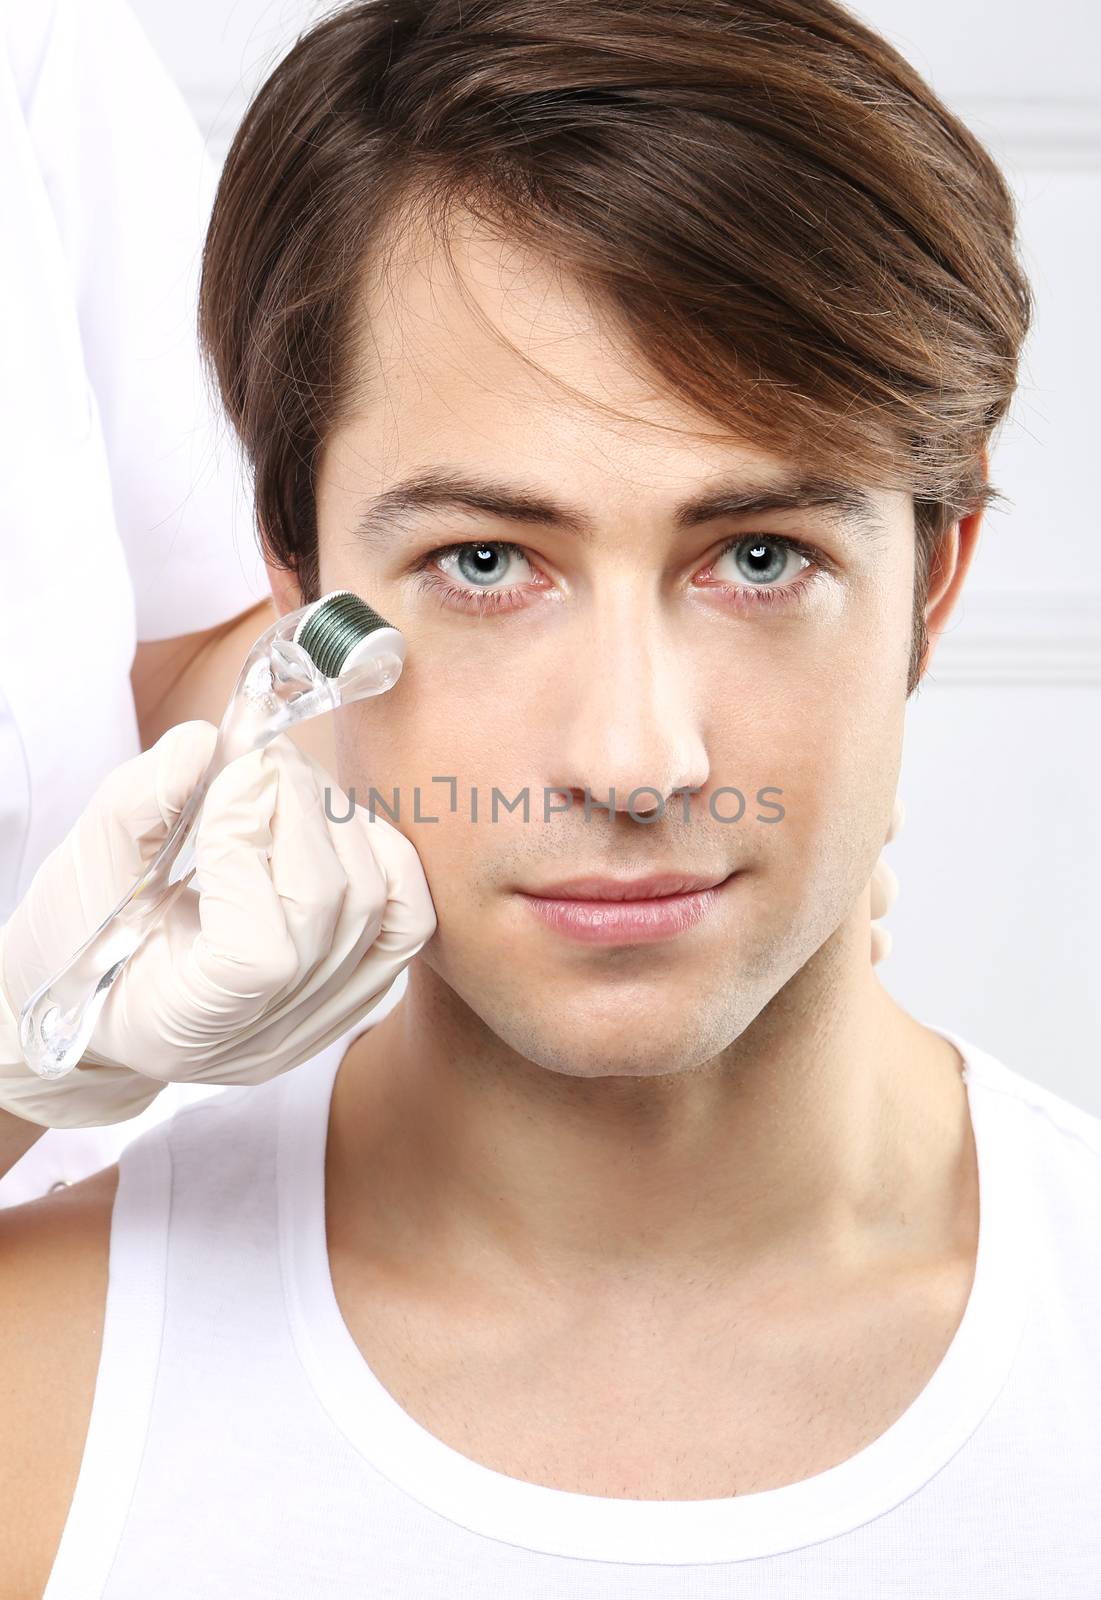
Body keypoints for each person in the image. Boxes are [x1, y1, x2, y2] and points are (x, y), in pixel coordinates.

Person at [6, 0, 1098, 1593]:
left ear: (934, 580)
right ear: (299, 583)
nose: (636, 759)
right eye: (487, 562)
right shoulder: (42, 1392)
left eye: (758, 558)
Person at [0, 0, 339, 1206]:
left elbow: (214, 632)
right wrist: (26, 1074)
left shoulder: (31, 50)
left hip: (80, 1226)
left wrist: (398, 775)